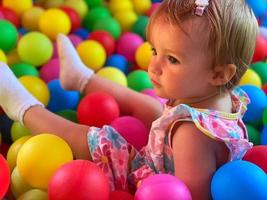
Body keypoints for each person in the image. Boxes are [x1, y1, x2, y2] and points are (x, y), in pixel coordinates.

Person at [0, 0, 258, 199]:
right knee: (150, 106)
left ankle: (22, 107)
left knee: (97, 141)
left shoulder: (191, 134)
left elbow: (184, 194)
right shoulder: (219, 95)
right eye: (154, 51)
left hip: (144, 183)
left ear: (219, 73)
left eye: (172, 59)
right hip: (168, 153)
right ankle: (81, 79)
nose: (153, 66)